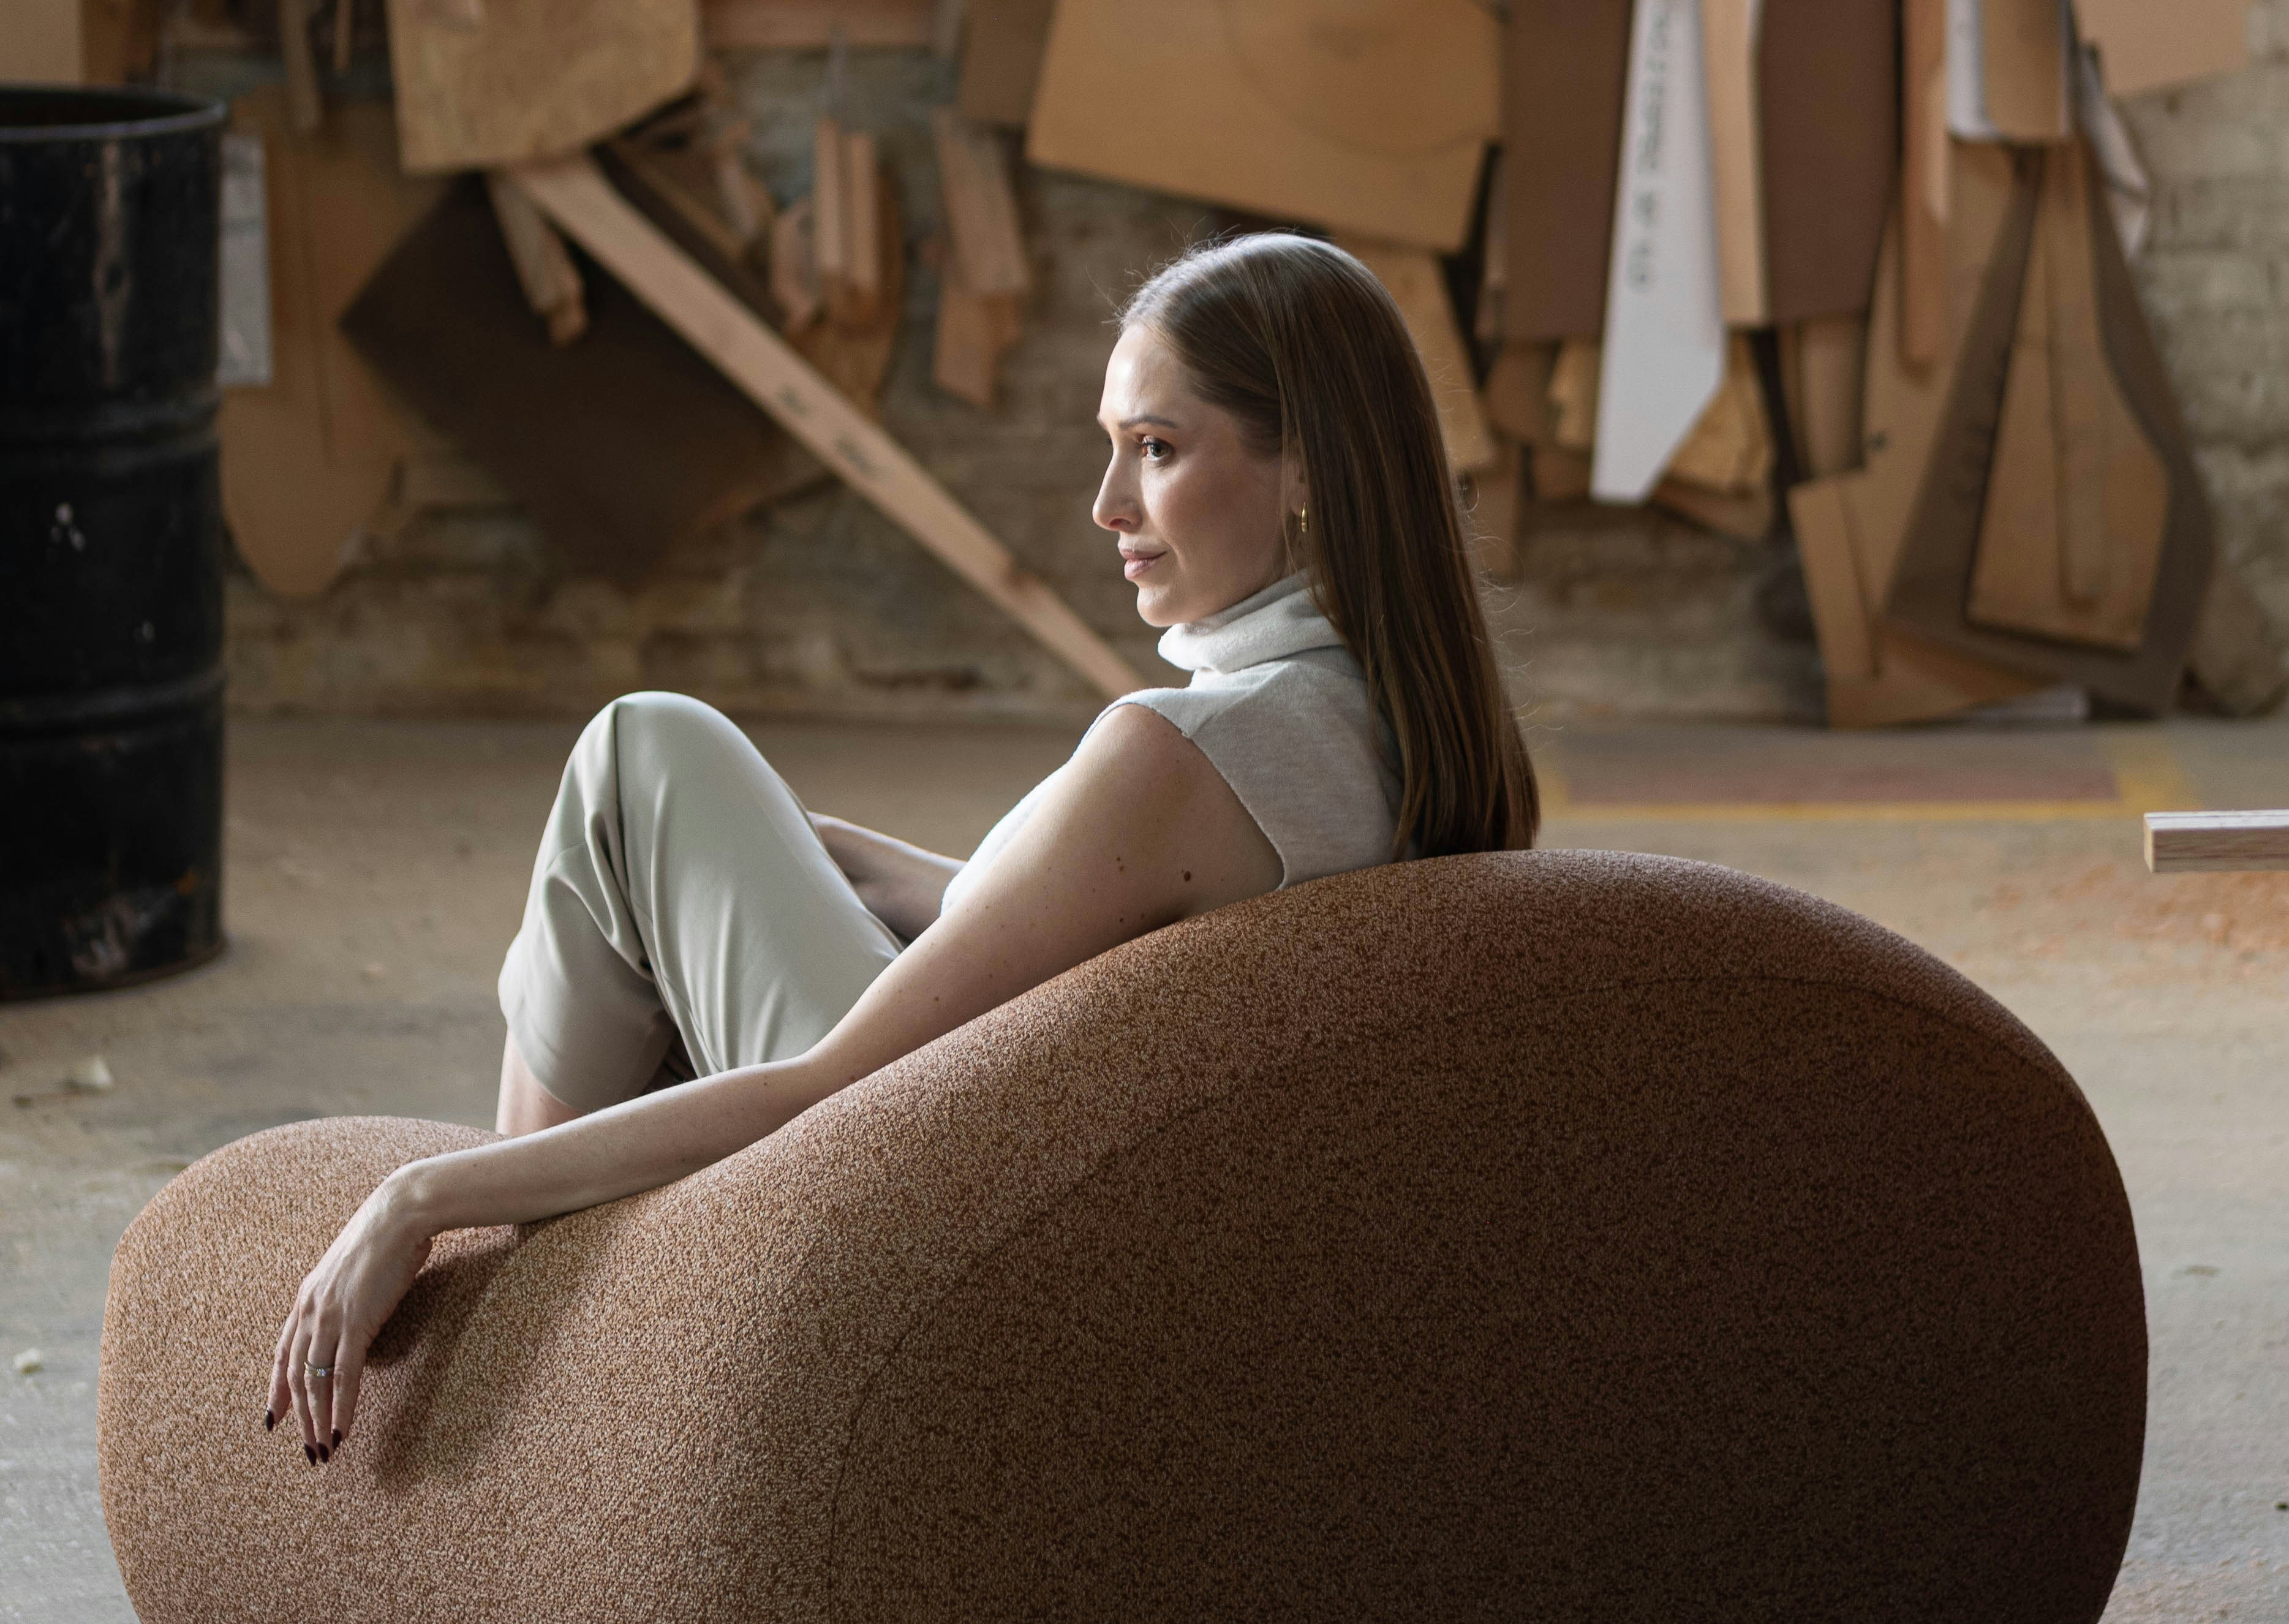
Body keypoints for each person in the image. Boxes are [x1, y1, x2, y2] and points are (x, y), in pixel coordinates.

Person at [265, 228, 1537, 1461]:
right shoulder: (1398, 724)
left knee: (638, 754)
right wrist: (833, 865)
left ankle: (500, 1331)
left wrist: (418, 1200)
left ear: (1309, 466)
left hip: (922, 1229)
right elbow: (1117, 961)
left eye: (1155, 449)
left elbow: (827, 1092)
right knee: (700, 824)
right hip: (1097, 1210)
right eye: (1110, 449)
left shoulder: (1178, 754)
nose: (1105, 506)